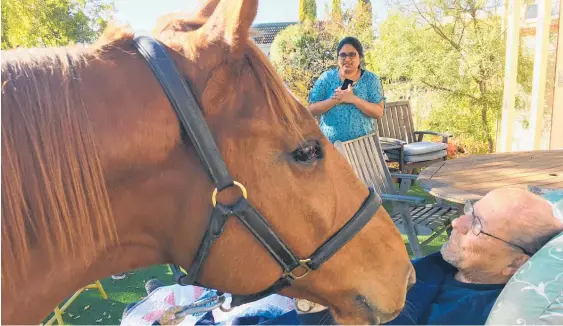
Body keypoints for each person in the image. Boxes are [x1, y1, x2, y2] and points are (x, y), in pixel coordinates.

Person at [122, 188, 563, 325]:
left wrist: (315, 303)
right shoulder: (458, 267)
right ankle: (194, 302)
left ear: (515, 265)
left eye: (477, 226)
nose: (457, 224)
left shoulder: (470, 311)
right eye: (468, 210)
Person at [308, 36, 386, 143]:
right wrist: (335, 99)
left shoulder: (370, 79)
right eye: (343, 55)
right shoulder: (326, 78)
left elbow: (378, 113)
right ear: (338, 58)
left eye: (352, 55)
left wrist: (353, 99)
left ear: (360, 57)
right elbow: (311, 110)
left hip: (363, 146)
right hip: (331, 147)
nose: (347, 59)